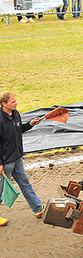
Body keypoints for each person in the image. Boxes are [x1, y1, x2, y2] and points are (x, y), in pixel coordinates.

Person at [0, 91, 45, 226]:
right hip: (5, 161)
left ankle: (38, 209)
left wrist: (30, 124)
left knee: (25, 182)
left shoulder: (15, 114)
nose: (16, 103)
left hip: (17, 157)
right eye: (13, 102)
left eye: (15, 101)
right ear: (4, 104)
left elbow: (18, 130)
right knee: (1, 189)